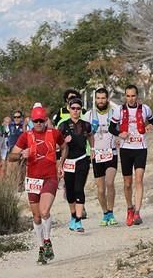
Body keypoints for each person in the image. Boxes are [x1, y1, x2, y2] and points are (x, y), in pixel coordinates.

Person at [9, 104, 65, 264]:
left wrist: (61, 162)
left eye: (41, 120)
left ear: (46, 120)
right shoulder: (25, 136)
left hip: (50, 177)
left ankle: (47, 241)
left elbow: (64, 146)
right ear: (32, 121)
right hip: (33, 180)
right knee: (36, 216)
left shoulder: (53, 133)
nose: (39, 123)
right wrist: (21, 154)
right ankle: (41, 248)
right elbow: (10, 157)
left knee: (45, 211)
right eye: (36, 121)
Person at [108, 84, 153, 226]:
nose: (130, 98)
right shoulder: (119, 110)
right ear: (125, 96)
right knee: (127, 183)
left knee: (139, 180)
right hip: (126, 149)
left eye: (133, 95)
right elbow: (112, 127)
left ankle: (137, 213)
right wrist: (119, 133)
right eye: (128, 96)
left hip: (141, 148)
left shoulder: (145, 109)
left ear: (137, 96)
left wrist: (150, 126)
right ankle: (130, 208)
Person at [83, 87, 119, 226]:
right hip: (97, 154)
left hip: (111, 153)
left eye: (103, 98)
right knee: (100, 188)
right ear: (95, 99)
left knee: (110, 183)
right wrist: (90, 149)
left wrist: (119, 139)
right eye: (98, 98)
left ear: (107, 99)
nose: (101, 101)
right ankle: (105, 213)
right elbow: (85, 134)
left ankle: (111, 212)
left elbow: (122, 129)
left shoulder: (115, 113)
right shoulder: (89, 115)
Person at [58, 97, 93, 232]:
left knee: (79, 189)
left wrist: (93, 149)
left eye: (78, 109)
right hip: (68, 162)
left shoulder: (86, 124)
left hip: (82, 159)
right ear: (69, 109)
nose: (75, 111)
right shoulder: (63, 125)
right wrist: (63, 142)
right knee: (70, 191)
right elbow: (57, 144)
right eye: (73, 108)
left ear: (81, 110)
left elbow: (90, 135)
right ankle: (73, 216)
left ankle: (78, 221)